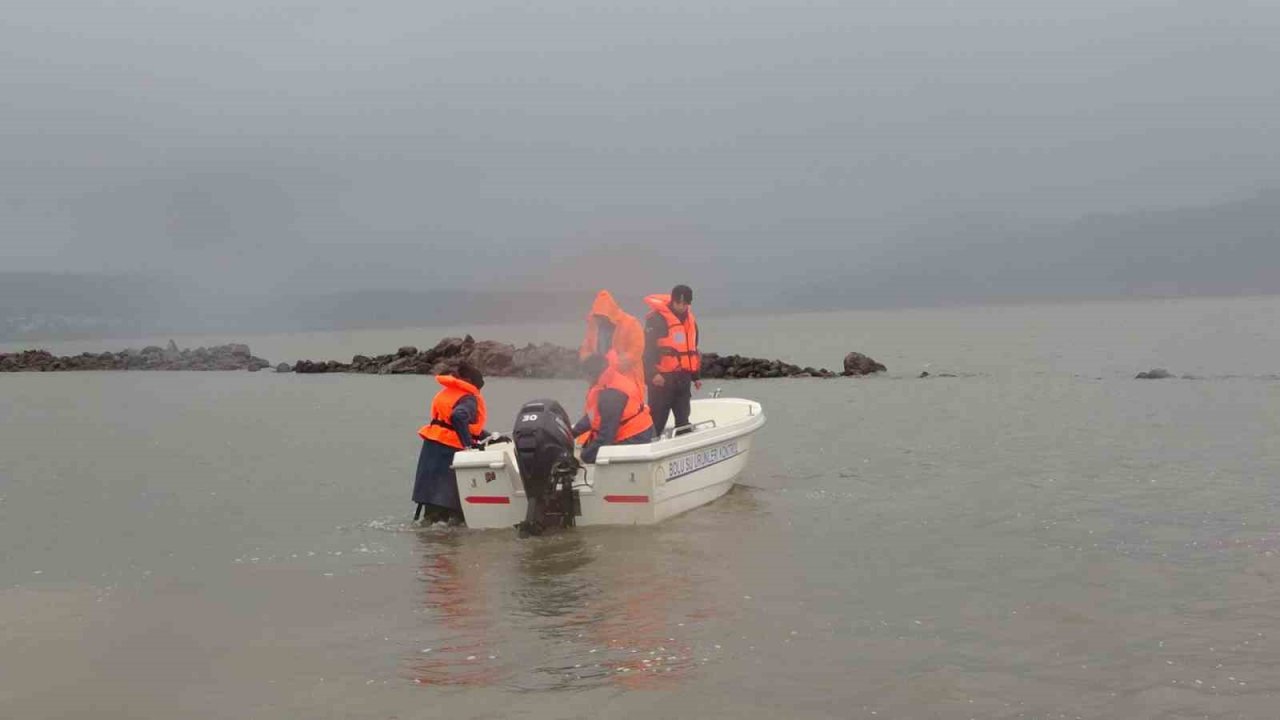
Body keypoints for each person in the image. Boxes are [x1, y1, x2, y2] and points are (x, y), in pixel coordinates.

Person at [412, 363, 494, 524]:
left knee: (431, 505)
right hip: (449, 451)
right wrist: (468, 446)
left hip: (432, 447)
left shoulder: (447, 392)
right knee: (451, 505)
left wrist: (490, 437)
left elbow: (451, 423)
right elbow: (458, 417)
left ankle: (427, 534)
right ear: (470, 382)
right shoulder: (469, 398)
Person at [571, 352, 654, 464]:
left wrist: (582, 460)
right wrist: (571, 434)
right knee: (590, 449)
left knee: (590, 455)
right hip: (631, 430)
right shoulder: (607, 382)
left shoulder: (611, 395)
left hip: (636, 436)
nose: (585, 380)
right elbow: (592, 417)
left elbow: (606, 437)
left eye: (585, 376)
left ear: (592, 375)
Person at [643, 284, 701, 436]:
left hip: (683, 378)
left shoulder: (691, 321)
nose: (681, 306)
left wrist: (695, 376)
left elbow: (692, 348)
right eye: (678, 303)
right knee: (657, 419)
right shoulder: (656, 320)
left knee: (683, 419)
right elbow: (647, 350)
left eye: (685, 303)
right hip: (662, 379)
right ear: (672, 301)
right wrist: (653, 374)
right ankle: (650, 443)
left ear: (689, 303)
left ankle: (684, 444)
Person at [578, 290, 647, 395]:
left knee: (628, 406)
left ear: (610, 313)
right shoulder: (594, 325)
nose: (601, 319)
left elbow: (636, 351)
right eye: (598, 316)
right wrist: (590, 364)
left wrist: (610, 366)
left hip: (628, 381)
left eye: (603, 316)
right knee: (598, 405)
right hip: (599, 381)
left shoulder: (631, 324)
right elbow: (586, 347)